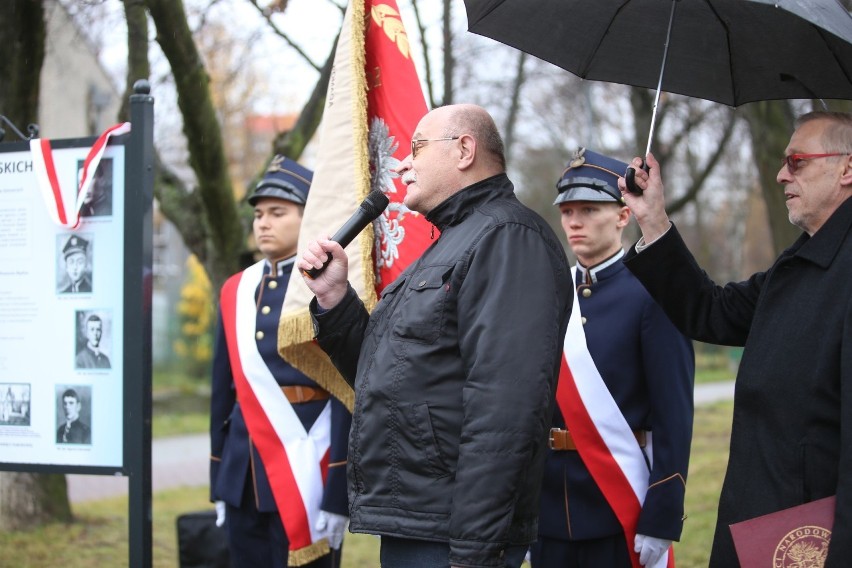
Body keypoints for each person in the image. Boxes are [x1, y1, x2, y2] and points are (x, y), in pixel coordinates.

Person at [297, 104, 573, 568]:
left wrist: (473, 551)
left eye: (417, 147)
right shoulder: (453, 242)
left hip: (455, 534)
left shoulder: (507, 239)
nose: (404, 163)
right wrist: (335, 298)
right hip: (422, 518)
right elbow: (385, 373)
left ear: (465, 149)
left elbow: (504, 411)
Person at [618, 110, 852, 567]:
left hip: (810, 542)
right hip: (759, 524)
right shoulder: (799, 264)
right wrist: (653, 219)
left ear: (846, 169)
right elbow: (712, 311)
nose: (782, 173)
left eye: (798, 161)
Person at [530, 149, 694, 568]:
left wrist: (663, 509)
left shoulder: (654, 292)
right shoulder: (547, 293)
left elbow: (673, 414)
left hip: (617, 504)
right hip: (548, 508)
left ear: (623, 216)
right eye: (567, 210)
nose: (574, 221)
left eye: (589, 208)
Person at [209, 156, 352, 568]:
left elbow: (345, 391)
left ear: (309, 218)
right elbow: (223, 393)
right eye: (258, 214)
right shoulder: (237, 290)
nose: (263, 223)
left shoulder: (331, 286)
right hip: (242, 473)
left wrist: (337, 490)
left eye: (277, 212)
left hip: (309, 466)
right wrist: (218, 477)